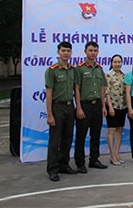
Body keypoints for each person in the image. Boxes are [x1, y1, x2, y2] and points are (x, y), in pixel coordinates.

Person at [45, 41, 78, 181]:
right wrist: (50, 114)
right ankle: (53, 169)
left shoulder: (72, 70)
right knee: (55, 140)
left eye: (68, 51)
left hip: (70, 107)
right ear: (58, 52)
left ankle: (64, 164)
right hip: (57, 107)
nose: (66, 53)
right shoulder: (52, 70)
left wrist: (78, 107)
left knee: (68, 137)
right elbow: (49, 93)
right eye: (63, 50)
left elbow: (75, 90)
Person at [74, 41, 108, 173]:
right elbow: (76, 89)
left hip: (97, 105)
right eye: (90, 50)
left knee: (96, 134)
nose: (93, 53)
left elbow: (102, 88)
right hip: (85, 105)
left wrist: (103, 106)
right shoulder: (80, 68)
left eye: (95, 51)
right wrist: (79, 107)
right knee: (81, 135)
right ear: (85, 51)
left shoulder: (99, 68)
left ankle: (94, 159)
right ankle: (80, 162)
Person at [105, 54, 127, 166]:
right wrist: (109, 107)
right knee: (111, 131)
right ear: (111, 63)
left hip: (122, 107)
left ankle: (117, 153)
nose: (117, 64)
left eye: (119, 62)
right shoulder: (108, 75)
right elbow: (106, 92)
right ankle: (112, 155)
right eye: (115, 62)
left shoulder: (123, 76)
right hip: (112, 107)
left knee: (119, 130)